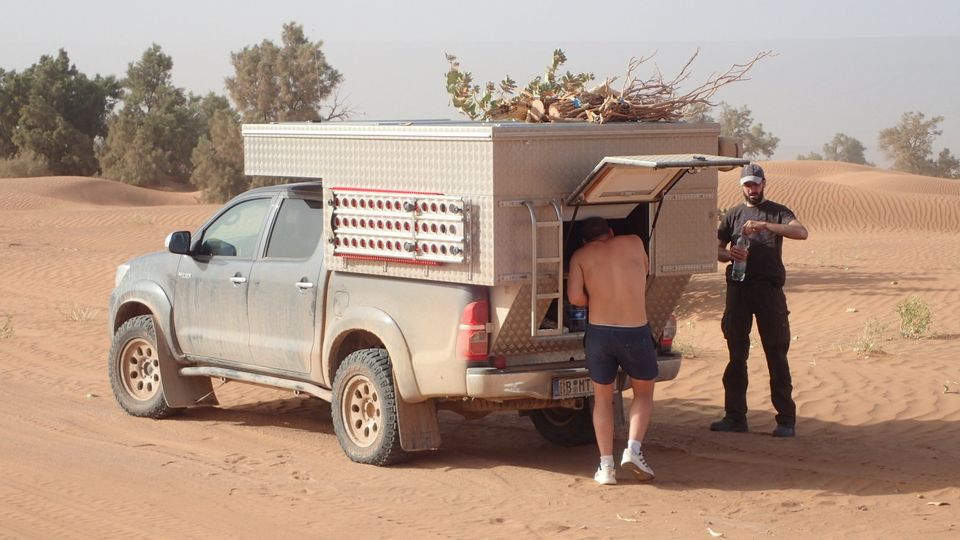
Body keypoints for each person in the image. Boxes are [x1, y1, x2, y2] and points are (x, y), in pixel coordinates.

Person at [712, 163, 808, 438]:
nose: (751, 189)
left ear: (764, 183)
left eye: (755, 184)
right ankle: (735, 417)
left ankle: (786, 419)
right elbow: (716, 249)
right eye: (747, 184)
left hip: (769, 292)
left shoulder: (778, 212)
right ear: (742, 186)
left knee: (776, 354)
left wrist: (766, 225)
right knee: (736, 354)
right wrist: (729, 255)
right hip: (738, 290)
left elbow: (801, 232)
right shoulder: (733, 214)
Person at [567, 216, 657, 485]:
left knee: (603, 398)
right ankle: (633, 449)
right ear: (611, 231)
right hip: (635, 329)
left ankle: (606, 466)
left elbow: (575, 299)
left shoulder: (580, 256)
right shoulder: (634, 242)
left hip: (600, 332)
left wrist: (595, 296)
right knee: (643, 393)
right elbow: (645, 270)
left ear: (584, 239)